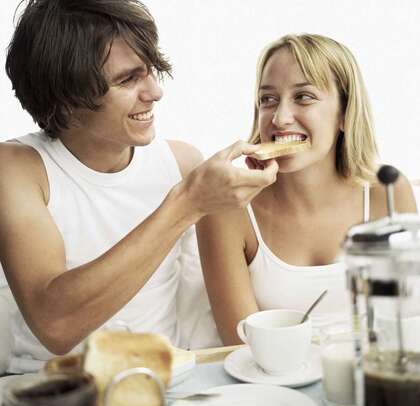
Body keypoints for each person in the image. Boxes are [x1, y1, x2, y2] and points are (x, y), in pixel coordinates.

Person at [0, 0, 279, 373]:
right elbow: (55, 324)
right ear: (66, 101)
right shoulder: (18, 169)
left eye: (150, 72)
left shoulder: (180, 162)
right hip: (53, 389)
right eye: (127, 80)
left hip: (166, 383)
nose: (154, 92)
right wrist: (187, 203)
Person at [197, 33, 417, 345]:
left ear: (345, 113)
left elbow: (406, 321)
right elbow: (241, 346)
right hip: (271, 374)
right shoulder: (227, 208)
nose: (280, 118)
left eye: (303, 97)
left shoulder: (388, 192)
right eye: (268, 99)